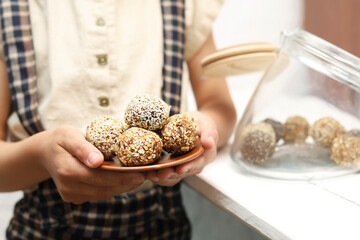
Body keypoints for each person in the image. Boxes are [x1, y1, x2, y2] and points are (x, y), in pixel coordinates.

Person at [0, 0, 236, 239]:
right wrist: (40, 154)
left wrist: (204, 128)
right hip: (44, 226)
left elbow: (219, 105)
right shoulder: (11, 9)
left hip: (161, 225)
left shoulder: (185, 5)